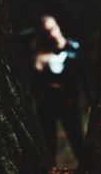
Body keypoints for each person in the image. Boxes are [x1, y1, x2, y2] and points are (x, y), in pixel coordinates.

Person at [30, 15, 90, 162]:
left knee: (78, 142)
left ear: (58, 26)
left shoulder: (73, 48)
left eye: (52, 29)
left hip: (68, 100)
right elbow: (35, 84)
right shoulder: (41, 53)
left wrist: (89, 100)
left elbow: (83, 77)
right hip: (47, 101)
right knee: (48, 144)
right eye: (46, 32)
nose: (51, 34)